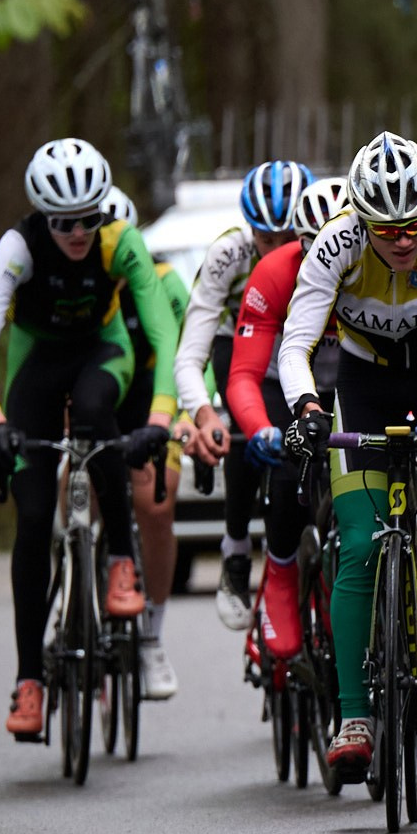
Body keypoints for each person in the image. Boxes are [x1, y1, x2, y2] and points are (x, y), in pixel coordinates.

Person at [276, 133, 417, 784]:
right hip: (365, 381)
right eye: (388, 229)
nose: (403, 239)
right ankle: (352, 717)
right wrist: (307, 409)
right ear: (362, 221)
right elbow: (295, 346)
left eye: (413, 225)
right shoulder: (337, 243)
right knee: (359, 544)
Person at [0, 140, 179, 739]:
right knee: (32, 522)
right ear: (42, 215)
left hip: (103, 354)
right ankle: (29, 680)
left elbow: (163, 333)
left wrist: (160, 419)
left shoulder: (120, 241)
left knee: (93, 413)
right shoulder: (19, 248)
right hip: (36, 366)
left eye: (89, 217)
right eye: (64, 222)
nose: (79, 232)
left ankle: (120, 564)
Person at [172, 160, 313, 635]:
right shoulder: (227, 256)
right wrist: (204, 412)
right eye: (264, 238)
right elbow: (190, 354)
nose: (274, 249)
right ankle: (235, 551)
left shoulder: (323, 251)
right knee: (240, 422)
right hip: (243, 339)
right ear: (248, 229)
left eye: (286, 238)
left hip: (303, 340)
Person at [224, 177, 351, 664]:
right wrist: (261, 429)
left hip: (354, 382)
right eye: (313, 247)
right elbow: (242, 374)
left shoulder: (383, 267)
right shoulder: (276, 272)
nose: (327, 259)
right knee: (287, 469)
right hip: (286, 383)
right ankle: (279, 569)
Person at [106, 186, 191, 702]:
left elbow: (191, 351)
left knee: (156, 507)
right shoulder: (83, 287)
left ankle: (153, 637)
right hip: (97, 408)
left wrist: (187, 413)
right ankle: (80, 601)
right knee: (81, 494)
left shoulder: (164, 282)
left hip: (156, 407)